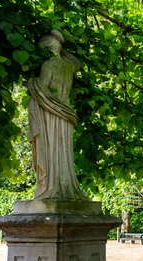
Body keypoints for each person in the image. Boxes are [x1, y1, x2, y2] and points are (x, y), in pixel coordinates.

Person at [27, 30, 86, 200]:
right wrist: (62, 47)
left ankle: (51, 188)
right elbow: (76, 62)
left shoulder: (49, 65)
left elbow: (42, 87)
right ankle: (64, 187)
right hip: (65, 114)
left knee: (51, 151)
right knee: (63, 154)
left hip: (50, 113)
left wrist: (30, 82)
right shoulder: (68, 67)